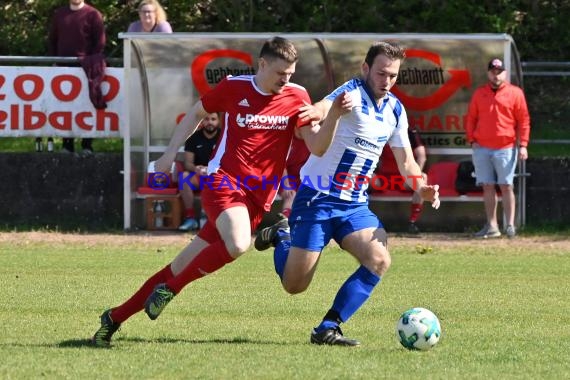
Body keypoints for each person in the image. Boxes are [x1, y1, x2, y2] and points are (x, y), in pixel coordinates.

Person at [91, 36, 343, 347]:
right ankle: (172, 289)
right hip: (223, 183)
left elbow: (317, 146)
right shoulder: (234, 87)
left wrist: (331, 117)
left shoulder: (297, 96)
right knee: (237, 244)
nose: (286, 80)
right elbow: (195, 114)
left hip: (257, 198)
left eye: (291, 74)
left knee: (176, 267)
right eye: (281, 73)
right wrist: (171, 152)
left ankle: (113, 318)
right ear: (262, 64)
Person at [254, 41, 440, 346]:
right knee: (294, 285)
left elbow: (406, 161)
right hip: (317, 199)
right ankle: (281, 236)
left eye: (393, 76)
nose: (387, 81)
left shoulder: (395, 109)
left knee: (379, 259)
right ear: (366, 69)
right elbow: (322, 108)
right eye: (381, 73)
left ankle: (328, 327)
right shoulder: (350, 93)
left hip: (354, 205)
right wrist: (317, 112)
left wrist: (421, 186)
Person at [466, 58, 530, 239]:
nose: (496, 75)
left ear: (505, 73)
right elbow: (471, 118)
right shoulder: (480, 93)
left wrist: (523, 144)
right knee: (487, 186)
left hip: (506, 147)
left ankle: (510, 225)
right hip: (482, 147)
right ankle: (492, 226)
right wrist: (472, 140)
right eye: (493, 71)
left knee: (506, 185)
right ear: (488, 73)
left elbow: (523, 120)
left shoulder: (515, 93)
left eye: (500, 71)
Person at [48, 0, 106, 154]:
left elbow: (99, 43)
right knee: (66, 107)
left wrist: (91, 61)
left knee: (87, 104)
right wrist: (55, 60)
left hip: (86, 67)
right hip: (63, 67)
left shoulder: (93, 14)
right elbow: (53, 40)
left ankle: (87, 145)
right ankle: (67, 144)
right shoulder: (60, 14)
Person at [374, 125, 428, 234]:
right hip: (382, 179)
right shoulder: (378, 129)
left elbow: (421, 156)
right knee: (361, 177)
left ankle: (412, 222)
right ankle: (363, 223)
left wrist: (412, 175)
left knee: (422, 178)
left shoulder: (411, 132)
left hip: (404, 180)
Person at [178, 112, 221, 232]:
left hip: (218, 176)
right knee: (184, 177)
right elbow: (188, 163)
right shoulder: (193, 138)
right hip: (199, 175)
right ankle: (190, 218)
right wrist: (197, 169)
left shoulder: (225, 137)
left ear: (218, 121)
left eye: (213, 119)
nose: (210, 122)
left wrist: (213, 170)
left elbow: (230, 161)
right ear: (202, 121)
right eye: (207, 119)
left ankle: (216, 220)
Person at [279, 137, 311, 218]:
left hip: (303, 178)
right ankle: (284, 220)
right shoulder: (288, 139)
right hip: (285, 178)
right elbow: (281, 165)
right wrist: (286, 185)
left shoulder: (312, 141)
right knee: (291, 195)